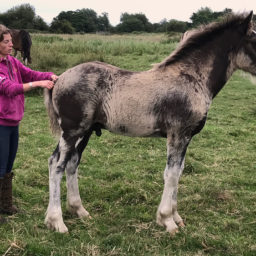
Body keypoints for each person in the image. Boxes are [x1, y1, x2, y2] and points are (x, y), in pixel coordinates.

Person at [0, 24, 58, 222]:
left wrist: (49, 76)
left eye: (10, 41)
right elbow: (9, 88)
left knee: (7, 165)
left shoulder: (12, 63)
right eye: (6, 41)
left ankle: (6, 205)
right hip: (1, 123)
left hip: (13, 121)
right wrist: (38, 85)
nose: (11, 44)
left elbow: (30, 73)